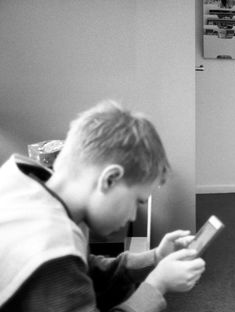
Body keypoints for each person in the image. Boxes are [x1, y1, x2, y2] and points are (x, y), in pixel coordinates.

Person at [0, 100, 205, 311]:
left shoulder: (26, 187)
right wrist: (157, 285)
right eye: (137, 201)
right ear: (109, 179)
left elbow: (84, 268)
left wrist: (155, 258)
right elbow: (65, 266)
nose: (133, 216)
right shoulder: (52, 250)